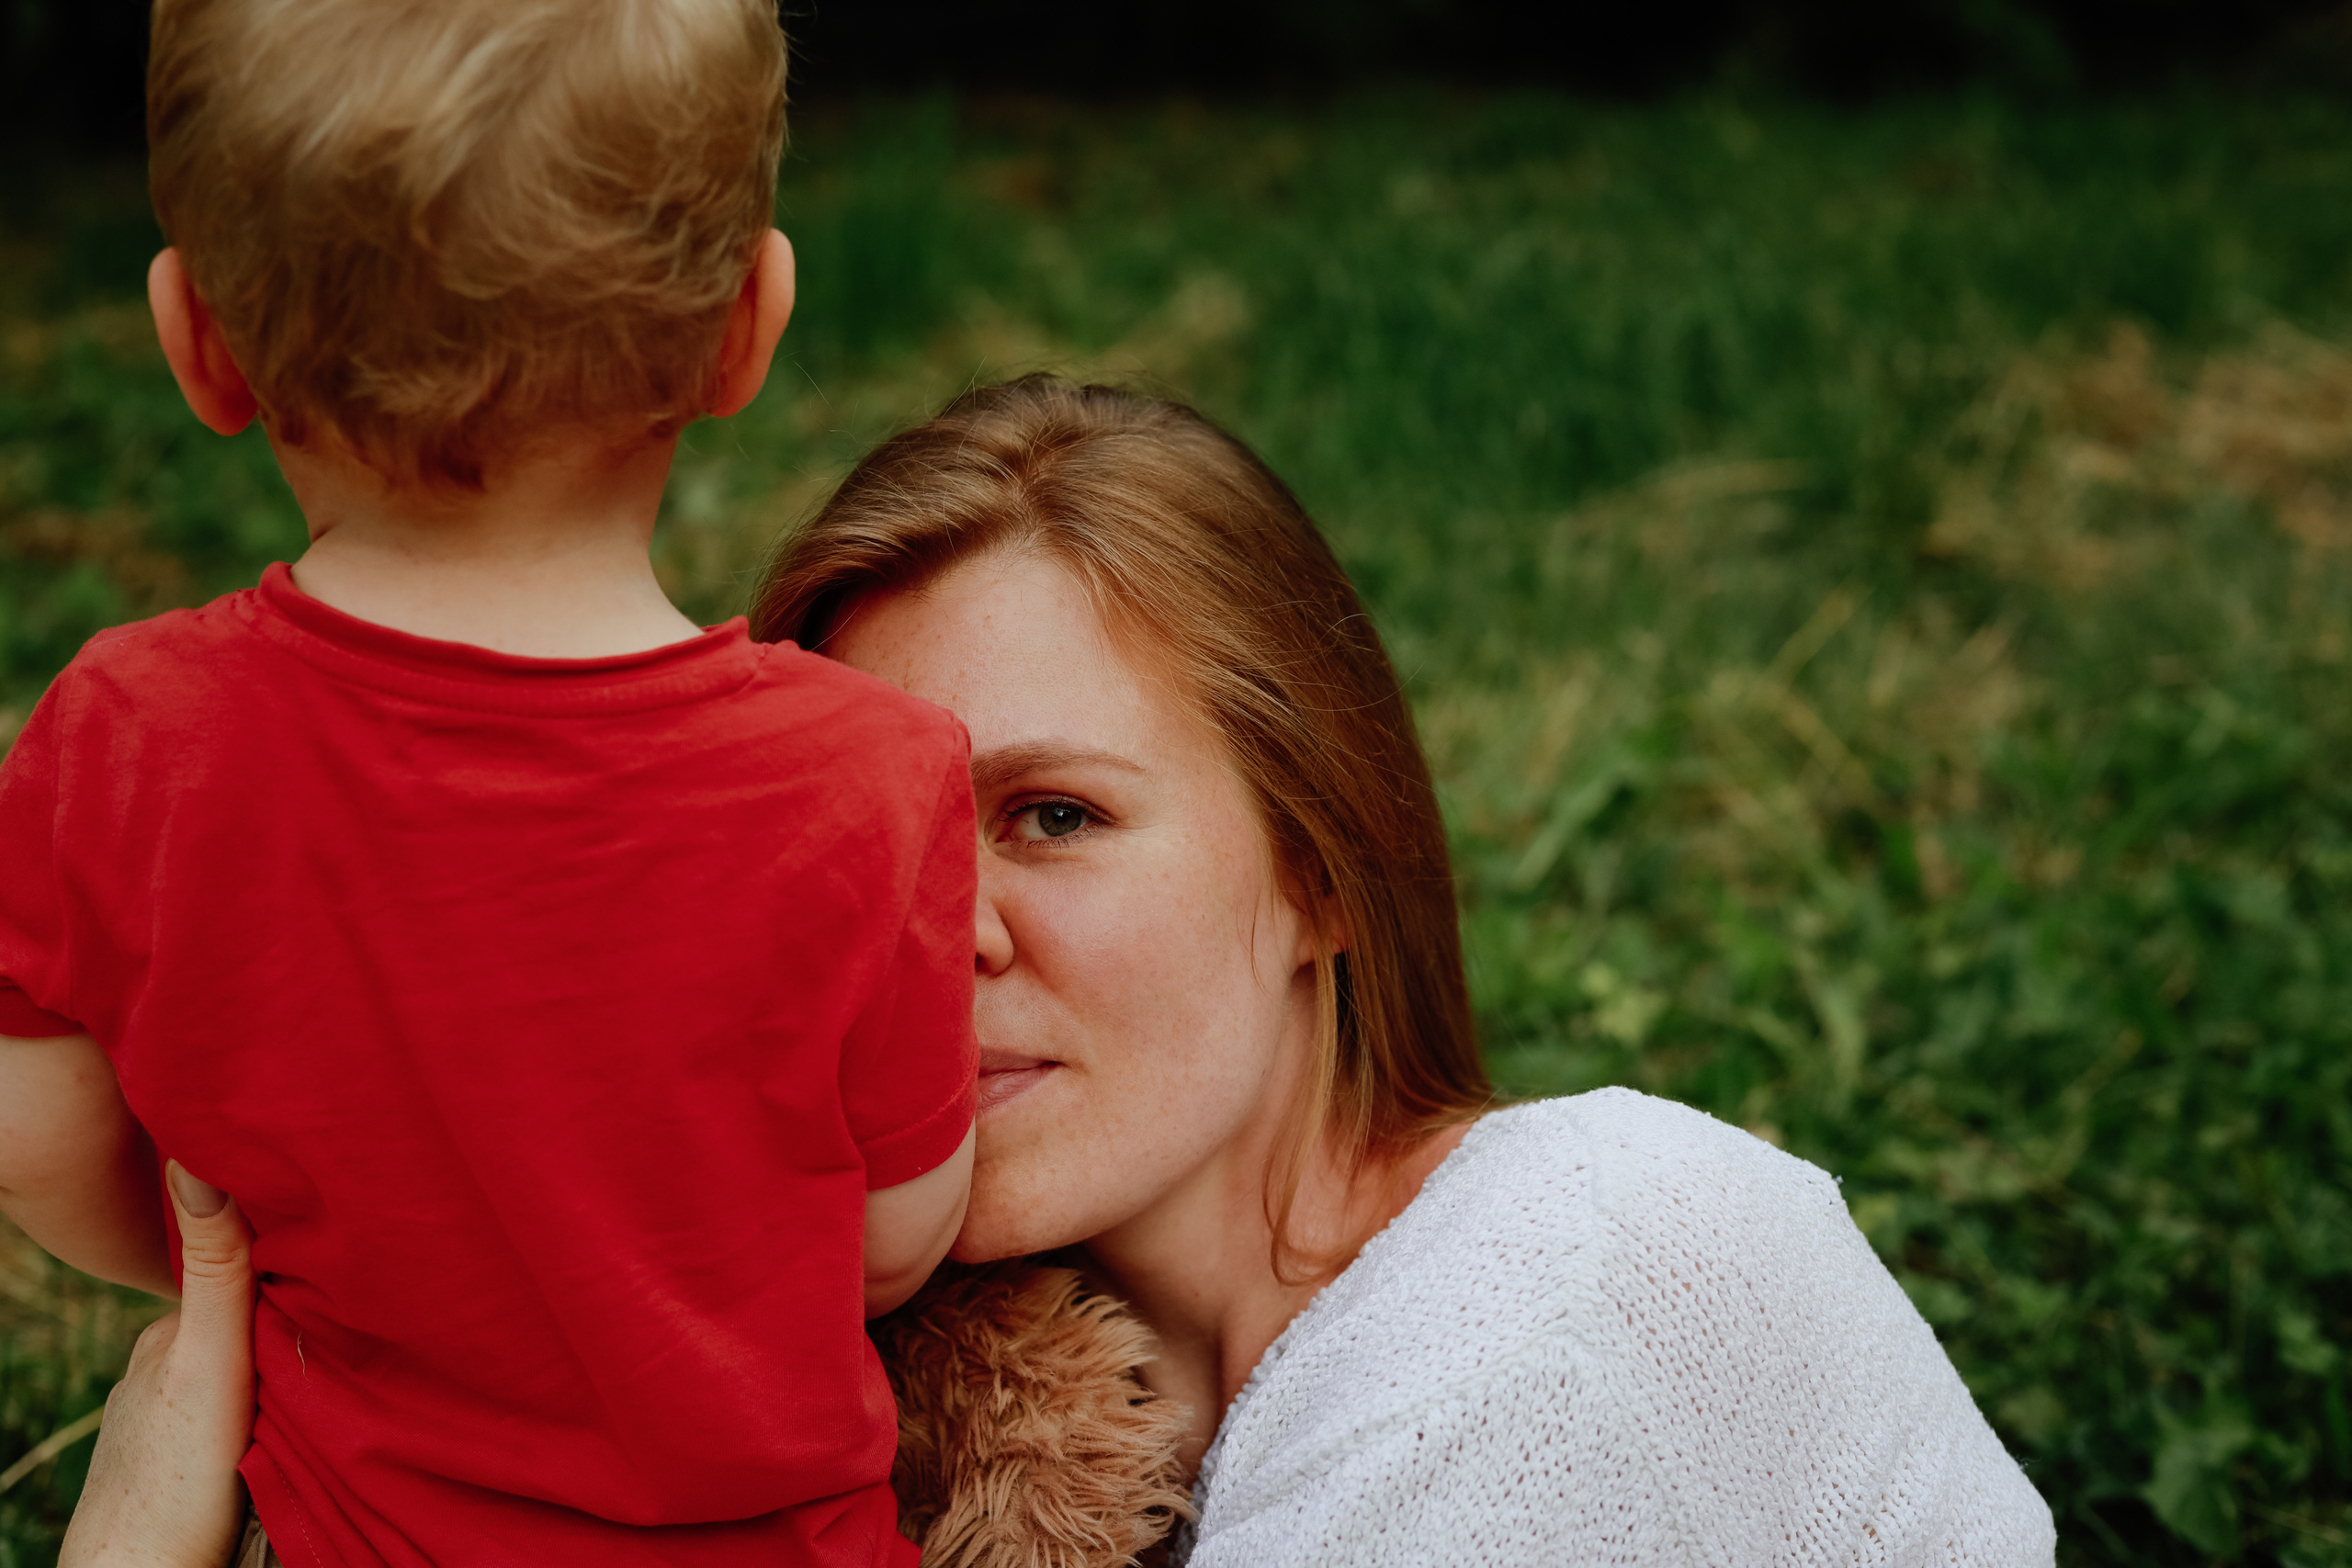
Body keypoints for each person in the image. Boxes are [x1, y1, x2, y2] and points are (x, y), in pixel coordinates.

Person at [62, 378, 2058, 1566]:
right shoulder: (956, 1423)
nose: (931, 931)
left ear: (1317, 870)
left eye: (1049, 815)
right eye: (852, 857)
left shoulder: (1587, 1269)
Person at [0, 4, 976, 1566]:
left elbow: (38, 1138)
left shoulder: (124, 734)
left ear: (198, 344)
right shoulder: (873, 776)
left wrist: (254, 1270)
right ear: (749, 325)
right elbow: (892, 1236)